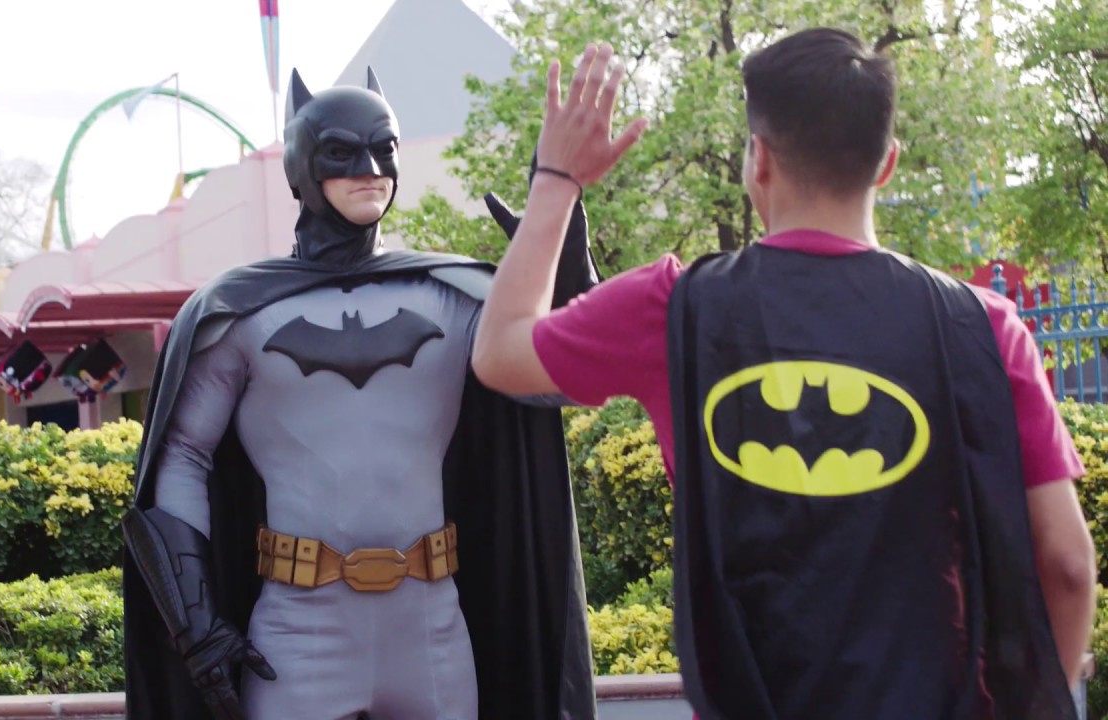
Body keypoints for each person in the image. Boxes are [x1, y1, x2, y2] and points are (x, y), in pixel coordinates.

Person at [471, 31, 1096, 719]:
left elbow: (498, 352)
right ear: (886, 165)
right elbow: (1066, 566)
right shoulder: (982, 327)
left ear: (757, 160)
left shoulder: (675, 309)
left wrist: (557, 180)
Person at [119, 66, 600, 720]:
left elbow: (567, 378)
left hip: (431, 622)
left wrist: (561, 247)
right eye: (342, 153)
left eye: (385, 149)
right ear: (300, 168)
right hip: (299, 629)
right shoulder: (239, 309)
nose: (369, 169)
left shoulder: (451, 295)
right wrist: (195, 621)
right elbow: (180, 460)